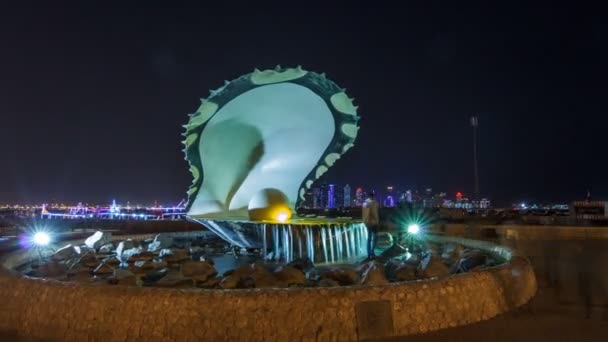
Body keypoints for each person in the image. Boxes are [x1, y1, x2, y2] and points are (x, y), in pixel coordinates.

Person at [362, 192, 380, 258]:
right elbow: (377, 213)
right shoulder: (374, 203)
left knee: (369, 239)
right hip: (374, 223)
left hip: (369, 223)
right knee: (375, 238)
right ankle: (372, 252)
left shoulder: (365, 203)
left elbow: (365, 215)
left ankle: (369, 254)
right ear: (372, 196)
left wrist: (365, 223)